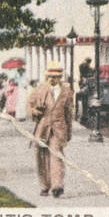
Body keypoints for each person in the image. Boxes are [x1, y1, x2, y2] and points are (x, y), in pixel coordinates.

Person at [28, 61, 74, 198]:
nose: (52, 79)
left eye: (55, 77)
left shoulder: (67, 92)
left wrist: (69, 132)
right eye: (50, 76)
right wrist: (34, 111)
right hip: (43, 127)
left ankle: (57, 186)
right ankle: (45, 185)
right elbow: (29, 106)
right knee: (41, 157)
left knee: (57, 155)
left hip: (58, 129)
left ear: (60, 77)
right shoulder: (40, 90)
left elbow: (69, 114)